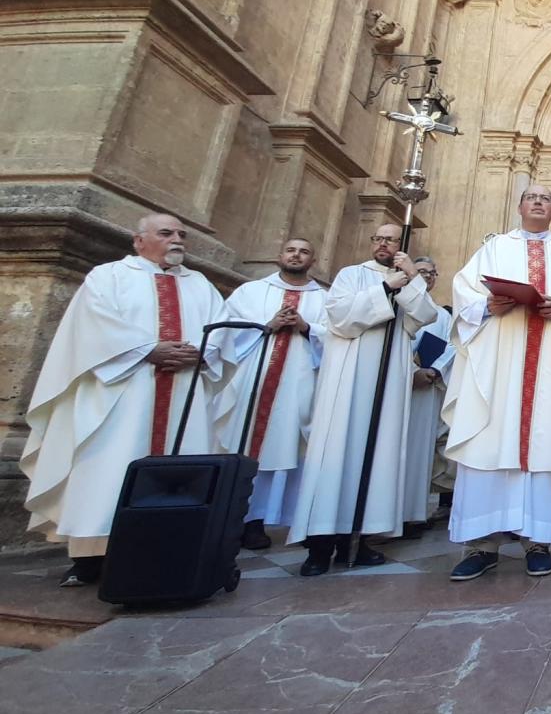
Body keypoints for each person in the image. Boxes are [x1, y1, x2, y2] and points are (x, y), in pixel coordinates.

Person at [22, 214, 226, 586]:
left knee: (181, 467)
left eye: (181, 234)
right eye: (166, 234)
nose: (176, 240)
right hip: (122, 391)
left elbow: (222, 330)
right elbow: (94, 325)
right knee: (107, 467)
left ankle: (168, 551)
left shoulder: (201, 285)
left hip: (185, 391)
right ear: (139, 241)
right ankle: (91, 558)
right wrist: (149, 349)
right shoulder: (108, 277)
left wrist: (201, 353)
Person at [442, 185, 551, 580]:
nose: (537, 202)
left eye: (545, 198)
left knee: (545, 441)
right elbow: (464, 292)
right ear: (518, 206)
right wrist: (486, 305)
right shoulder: (494, 249)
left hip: (548, 359)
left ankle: (538, 541)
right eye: (531, 196)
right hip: (499, 361)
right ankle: (481, 544)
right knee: (489, 438)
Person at [288, 223, 438, 576]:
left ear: (403, 245)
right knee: (337, 452)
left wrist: (411, 279)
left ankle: (363, 538)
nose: (383, 244)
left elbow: (425, 316)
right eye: (378, 238)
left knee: (379, 453)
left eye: (391, 239)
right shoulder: (351, 275)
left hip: (388, 382)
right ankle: (320, 544)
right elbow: (340, 318)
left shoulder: (408, 277)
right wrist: (386, 288)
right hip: (349, 377)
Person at [213, 237, 326, 550]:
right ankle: (238, 518)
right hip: (253, 379)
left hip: (298, 384)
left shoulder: (324, 298)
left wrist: (307, 327)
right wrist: (267, 325)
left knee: (289, 447)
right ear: (280, 255)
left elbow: (334, 337)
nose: (296, 255)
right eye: (291, 250)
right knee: (246, 442)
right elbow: (226, 330)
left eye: (304, 251)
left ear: (312, 260)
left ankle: (271, 518)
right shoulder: (252, 292)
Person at [402, 256, 453, 538]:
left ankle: (414, 513)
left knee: (422, 454)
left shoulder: (443, 316)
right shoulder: (395, 303)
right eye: (421, 272)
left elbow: (453, 347)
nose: (427, 277)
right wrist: (410, 371)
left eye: (431, 273)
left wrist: (433, 370)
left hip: (427, 390)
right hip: (398, 388)